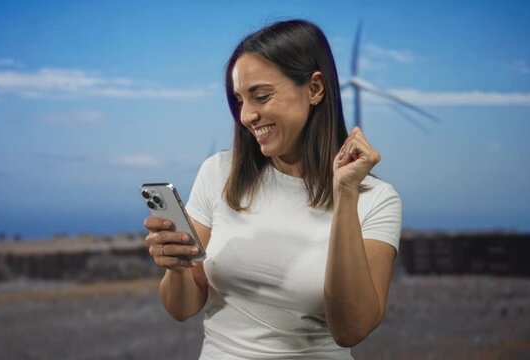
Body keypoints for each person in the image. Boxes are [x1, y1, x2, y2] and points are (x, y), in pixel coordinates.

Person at [143, 19, 402, 359]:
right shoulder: (218, 172)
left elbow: (351, 329)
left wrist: (345, 195)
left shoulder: (377, 200)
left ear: (315, 89)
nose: (247, 115)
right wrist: (175, 266)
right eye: (239, 101)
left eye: (261, 96)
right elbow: (182, 308)